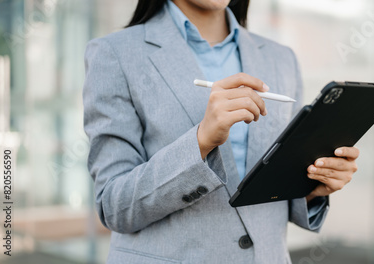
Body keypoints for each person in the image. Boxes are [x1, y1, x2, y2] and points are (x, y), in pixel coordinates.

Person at [83, 0, 359, 263]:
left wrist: (314, 188)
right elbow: (115, 207)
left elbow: (274, 195)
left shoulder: (281, 58)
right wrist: (201, 141)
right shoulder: (115, 54)